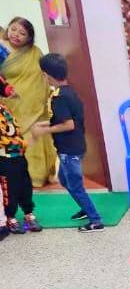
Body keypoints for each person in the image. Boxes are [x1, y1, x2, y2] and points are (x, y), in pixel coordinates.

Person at [33, 54, 105, 231]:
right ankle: (85, 209)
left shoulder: (60, 98)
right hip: (72, 146)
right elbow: (63, 119)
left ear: (47, 75)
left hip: (69, 150)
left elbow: (68, 124)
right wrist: (44, 124)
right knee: (65, 181)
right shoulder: (68, 91)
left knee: (75, 185)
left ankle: (95, 220)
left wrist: (45, 130)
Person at [0, 18, 57, 187]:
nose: (16, 35)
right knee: (10, 138)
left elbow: (41, 78)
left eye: (22, 33)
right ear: (8, 28)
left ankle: (36, 176)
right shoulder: (1, 47)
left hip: (32, 104)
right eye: (14, 29)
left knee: (34, 137)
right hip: (8, 103)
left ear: (29, 37)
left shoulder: (34, 52)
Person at [0, 77, 43, 233]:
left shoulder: (4, 108)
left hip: (18, 154)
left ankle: (28, 213)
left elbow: (5, 87)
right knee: (9, 188)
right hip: (4, 157)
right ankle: (10, 216)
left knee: (25, 184)